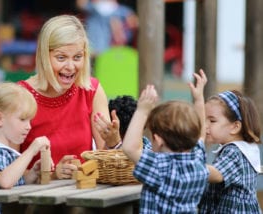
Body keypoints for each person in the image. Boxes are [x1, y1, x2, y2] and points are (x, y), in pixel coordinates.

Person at [17, 15, 114, 180]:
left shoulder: (91, 90)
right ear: (43, 56)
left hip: (82, 195)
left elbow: (105, 159)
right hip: (35, 201)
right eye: (61, 58)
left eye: (77, 57)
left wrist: (113, 141)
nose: (70, 67)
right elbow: (6, 172)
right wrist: (51, 175)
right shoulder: (20, 96)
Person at [122, 84, 209, 213]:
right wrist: (199, 100)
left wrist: (142, 111)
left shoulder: (159, 167)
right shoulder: (199, 163)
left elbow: (130, 148)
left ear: (158, 140)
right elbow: (201, 135)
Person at [190, 70, 262, 213]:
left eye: (212, 120)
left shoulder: (235, 152)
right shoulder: (242, 148)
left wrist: (186, 163)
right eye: (205, 120)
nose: (205, 126)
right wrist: (198, 100)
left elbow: (215, 175)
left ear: (235, 127)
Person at [0, 82, 51, 214]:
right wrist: (31, 150)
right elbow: (5, 181)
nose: (29, 126)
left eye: (30, 121)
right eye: (22, 119)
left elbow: (14, 183)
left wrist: (33, 173)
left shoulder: (7, 152)